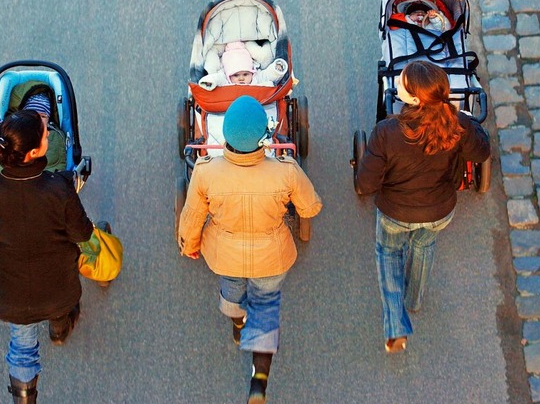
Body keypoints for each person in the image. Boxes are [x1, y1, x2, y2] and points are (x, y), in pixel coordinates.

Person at [177, 95, 322, 404]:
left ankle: (239, 324)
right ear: (263, 138)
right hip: (272, 257)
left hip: (225, 256)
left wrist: (189, 245)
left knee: (232, 292)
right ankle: (259, 377)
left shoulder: (205, 172)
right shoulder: (284, 171)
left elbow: (191, 218)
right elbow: (310, 208)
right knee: (266, 305)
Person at [0, 109, 93, 403]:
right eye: (46, 136)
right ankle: (59, 328)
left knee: (22, 347)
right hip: (59, 290)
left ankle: (23, 398)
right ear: (34, 152)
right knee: (59, 304)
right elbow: (82, 234)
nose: (48, 136)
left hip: (10, 297)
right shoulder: (59, 189)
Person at [355, 61, 490, 354]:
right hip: (439, 211)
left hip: (395, 212)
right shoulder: (457, 124)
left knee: (389, 255)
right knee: (423, 247)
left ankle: (395, 325)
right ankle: (414, 300)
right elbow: (482, 151)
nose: (399, 84)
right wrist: (467, 121)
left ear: (414, 99)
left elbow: (365, 184)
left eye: (403, 83)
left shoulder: (387, 132)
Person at [198, 41, 288, 91]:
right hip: (229, 107)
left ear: (251, 72)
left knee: (268, 84)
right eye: (236, 75)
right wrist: (209, 81)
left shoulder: (256, 78)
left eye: (245, 74)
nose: (241, 79)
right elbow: (216, 78)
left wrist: (276, 69)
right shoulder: (225, 80)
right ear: (228, 74)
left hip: (258, 103)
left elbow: (267, 75)